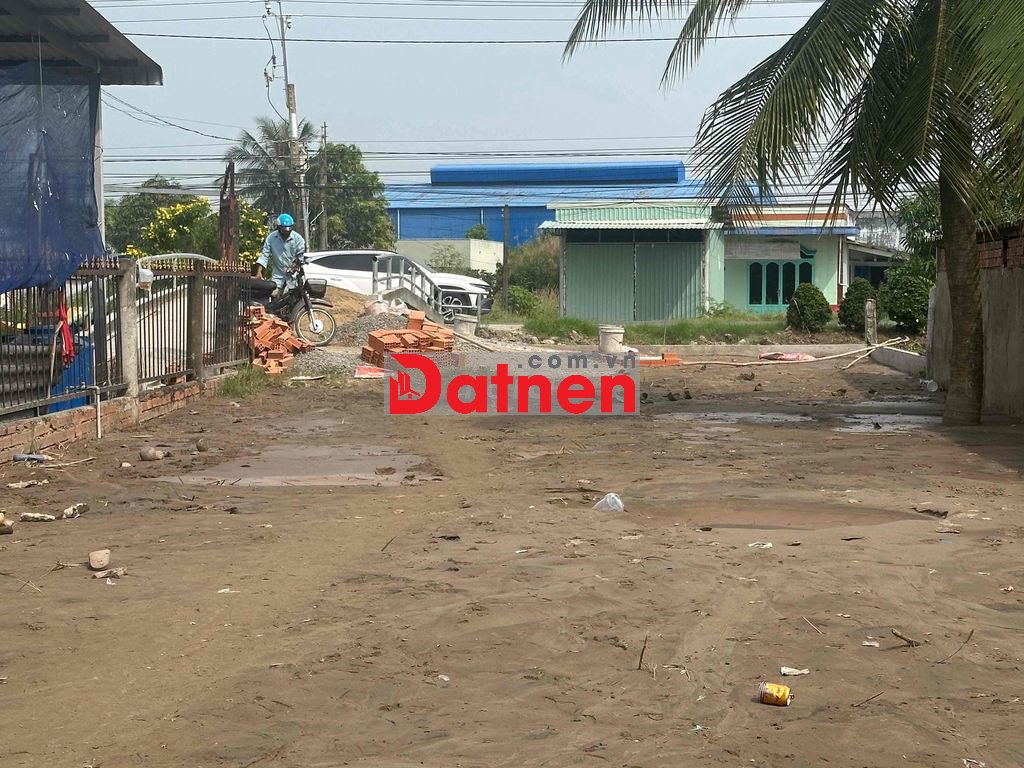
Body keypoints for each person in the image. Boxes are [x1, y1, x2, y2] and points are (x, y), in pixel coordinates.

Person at [255, 213, 306, 295]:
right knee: (273, 296)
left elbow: (300, 258)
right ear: (278, 227)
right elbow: (264, 256)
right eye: (284, 231)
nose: (286, 233)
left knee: (291, 298)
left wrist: (293, 267)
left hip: (293, 279)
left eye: (289, 230)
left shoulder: (298, 239)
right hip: (277, 277)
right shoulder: (271, 238)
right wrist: (259, 272)